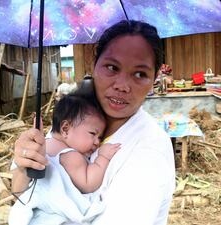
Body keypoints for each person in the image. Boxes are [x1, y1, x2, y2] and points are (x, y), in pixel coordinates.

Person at [11, 20, 176, 225]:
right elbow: (19, 192)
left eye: (140, 74)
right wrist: (23, 164)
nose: (122, 86)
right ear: (94, 64)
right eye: (112, 67)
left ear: (155, 79)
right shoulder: (79, 118)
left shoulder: (149, 149)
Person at [9, 92, 120, 224]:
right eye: (93, 134)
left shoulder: (44, 144)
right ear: (65, 129)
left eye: (100, 138)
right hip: (53, 215)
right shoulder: (70, 156)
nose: (97, 142)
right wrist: (103, 157)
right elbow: (89, 184)